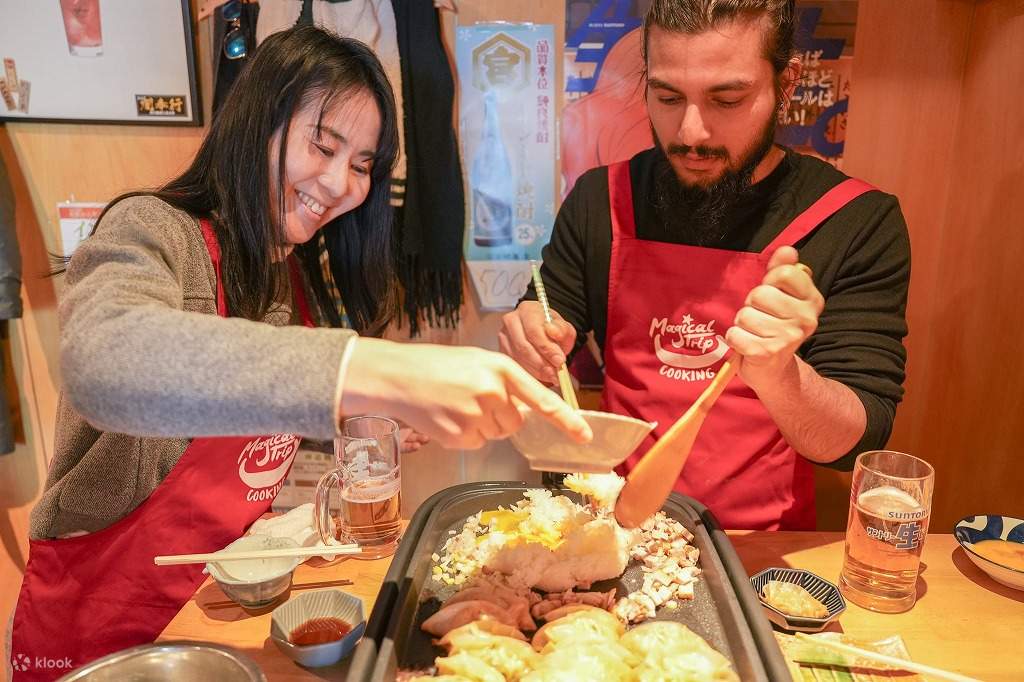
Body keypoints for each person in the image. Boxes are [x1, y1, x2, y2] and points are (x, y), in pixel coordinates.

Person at [8, 26, 590, 679]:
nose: (340, 182)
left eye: (363, 164)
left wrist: (348, 418)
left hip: (222, 608)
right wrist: (369, 371)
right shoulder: (152, 230)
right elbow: (102, 360)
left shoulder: (292, 273)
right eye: (323, 145)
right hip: (104, 625)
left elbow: (240, 412)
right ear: (257, 121)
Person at [500, 0, 910, 531]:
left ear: (785, 84)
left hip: (756, 544)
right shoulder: (600, 199)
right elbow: (549, 325)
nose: (691, 133)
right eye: (668, 97)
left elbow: (853, 442)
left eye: (727, 99)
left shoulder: (854, 219)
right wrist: (532, 342)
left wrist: (779, 375)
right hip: (607, 526)